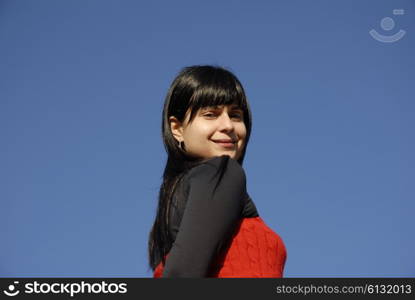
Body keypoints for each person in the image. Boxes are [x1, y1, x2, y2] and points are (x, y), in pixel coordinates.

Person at [148, 65, 287, 278]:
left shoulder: (171, 206)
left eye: (236, 115)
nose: (228, 125)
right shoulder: (222, 173)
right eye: (210, 114)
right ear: (177, 129)